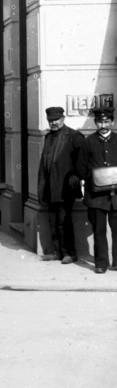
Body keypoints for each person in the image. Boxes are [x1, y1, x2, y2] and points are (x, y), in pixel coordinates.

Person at [37, 106, 84, 263]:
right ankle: (56, 252)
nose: (53, 123)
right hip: (50, 187)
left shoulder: (74, 136)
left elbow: (82, 161)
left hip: (65, 188)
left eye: (56, 120)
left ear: (63, 119)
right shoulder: (48, 137)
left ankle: (70, 253)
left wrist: (77, 176)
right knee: (52, 220)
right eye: (50, 120)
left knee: (64, 221)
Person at [76, 106, 117, 274]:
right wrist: (96, 178)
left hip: (116, 196)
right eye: (100, 122)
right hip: (96, 196)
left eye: (107, 121)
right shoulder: (88, 142)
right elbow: (80, 167)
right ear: (95, 123)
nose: (103, 125)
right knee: (98, 231)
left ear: (112, 122)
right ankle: (101, 263)